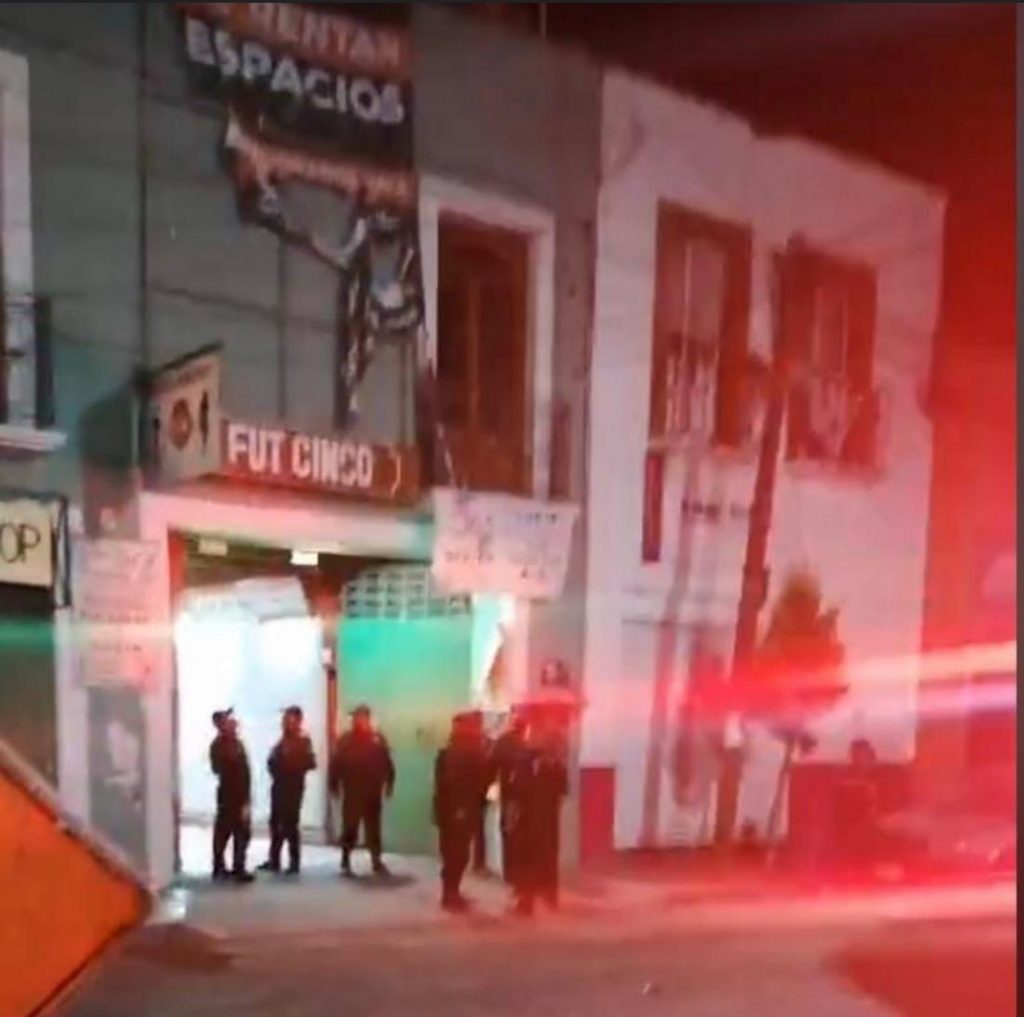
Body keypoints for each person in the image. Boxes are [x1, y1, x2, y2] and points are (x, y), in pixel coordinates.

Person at [433, 711, 491, 912]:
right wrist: (462, 809)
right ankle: (451, 895)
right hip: (460, 810)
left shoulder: (449, 751)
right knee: (457, 854)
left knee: (452, 853)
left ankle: (451, 893)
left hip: (451, 811)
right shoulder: (466, 751)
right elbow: (465, 782)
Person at [328, 704, 395, 877]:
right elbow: (335, 763)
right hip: (353, 790)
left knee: (373, 828)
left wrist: (389, 784)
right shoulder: (346, 740)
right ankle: (345, 860)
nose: (358, 721)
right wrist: (333, 784)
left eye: (361, 717)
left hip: (373, 791)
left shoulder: (377, 739)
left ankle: (376, 860)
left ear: (367, 719)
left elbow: (388, 764)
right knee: (350, 827)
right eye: (356, 718)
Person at [259, 705, 317, 875]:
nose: (284, 722)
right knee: (275, 823)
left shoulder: (303, 740)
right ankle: (274, 859)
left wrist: (287, 764)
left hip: (292, 789)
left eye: (288, 719)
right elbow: (272, 761)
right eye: (284, 719)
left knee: (290, 825)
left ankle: (294, 862)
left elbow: (310, 763)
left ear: (298, 720)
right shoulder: (283, 739)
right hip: (279, 787)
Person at [209, 708, 254, 883]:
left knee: (242, 832)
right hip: (229, 794)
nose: (233, 723)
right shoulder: (219, 746)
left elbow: (245, 770)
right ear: (220, 725)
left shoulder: (237, 743)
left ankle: (238, 866)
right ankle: (219, 866)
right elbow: (218, 769)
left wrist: (247, 797)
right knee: (224, 831)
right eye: (227, 721)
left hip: (242, 793)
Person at [490, 709, 530, 886]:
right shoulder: (528, 743)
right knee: (523, 835)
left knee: (509, 833)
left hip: (510, 796)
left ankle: (511, 874)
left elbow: (491, 765)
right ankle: (521, 874)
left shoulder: (503, 742)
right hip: (527, 798)